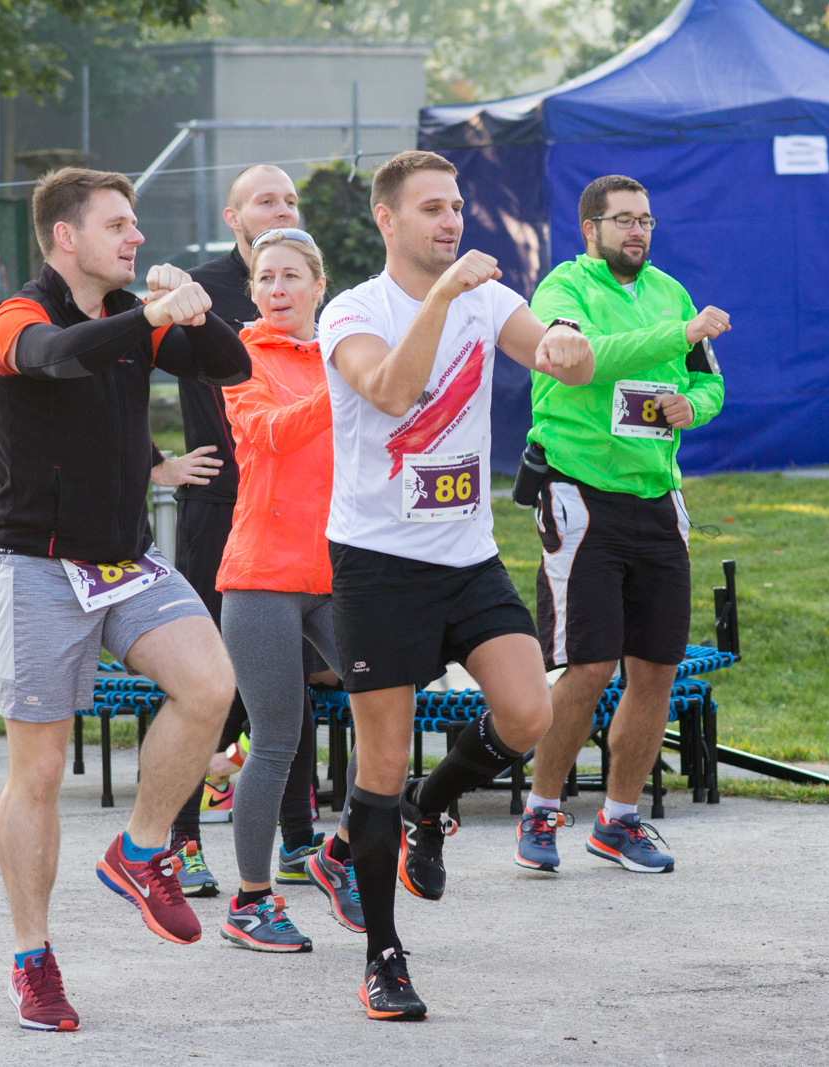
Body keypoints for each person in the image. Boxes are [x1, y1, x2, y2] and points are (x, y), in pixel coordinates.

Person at [318, 150, 594, 1020]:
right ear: (387, 219)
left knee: (528, 712)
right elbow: (395, 392)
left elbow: (548, 351)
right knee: (382, 758)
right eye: (432, 208)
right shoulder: (352, 311)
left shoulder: (487, 295)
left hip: (466, 555)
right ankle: (383, 955)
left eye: (457, 207)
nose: (450, 221)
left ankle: (430, 809)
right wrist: (441, 299)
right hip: (377, 565)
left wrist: (565, 345)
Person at [0, 167, 249, 1031]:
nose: (136, 239)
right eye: (119, 226)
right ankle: (33, 957)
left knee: (210, 684)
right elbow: (56, 359)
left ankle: (140, 848)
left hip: (124, 558)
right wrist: (149, 316)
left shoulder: (133, 317)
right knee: (42, 771)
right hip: (37, 566)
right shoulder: (17, 316)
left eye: (136, 227)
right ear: (67, 236)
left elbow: (231, 364)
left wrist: (196, 309)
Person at [517, 174, 726, 874]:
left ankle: (619, 819)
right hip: (582, 493)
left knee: (658, 668)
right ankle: (542, 807)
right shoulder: (562, 293)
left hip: (656, 497)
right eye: (622, 220)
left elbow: (709, 380)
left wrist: (692, 406)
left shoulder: (672, 292)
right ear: (591, 228)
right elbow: (584, 364)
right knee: (589, 667)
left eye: (645, 221)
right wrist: (678, 333)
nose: (636, 231)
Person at [168, 164, 329, 894]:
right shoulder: (204, 294)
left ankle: (302, 839)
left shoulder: (325, 332)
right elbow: (116, 362)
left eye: (291, 199)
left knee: (291, 694)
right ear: (234, 217)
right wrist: (162, 462)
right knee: (208, 685)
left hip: (314, 541)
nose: (281, 207)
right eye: (267, 199)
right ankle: (178, 838)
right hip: (227, 516)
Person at [217, 227, 362, 952]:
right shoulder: (242, 357)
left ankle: (340, 854)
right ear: (252, 292)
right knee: (277, 736)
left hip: (337, 572)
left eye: (290, 277)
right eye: (265, 278)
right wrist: (344, 387)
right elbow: (271, 433)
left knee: (384, 709)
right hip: (261, 574)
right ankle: (251, 901)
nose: (277, 289)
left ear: (317, 286)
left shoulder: (341, 354)